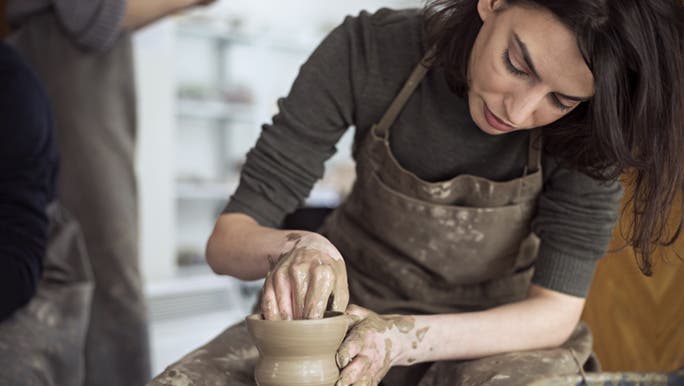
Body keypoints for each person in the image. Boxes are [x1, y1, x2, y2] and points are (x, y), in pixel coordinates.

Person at [150, 0, 684, 385]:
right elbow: (226, 241)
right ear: (492, 3)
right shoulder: (369, 51)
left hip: (494, 331)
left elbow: (554, 313)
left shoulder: (589, 131)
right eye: (517, 65)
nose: (519, 113)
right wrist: (293, 246)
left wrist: (403, 339)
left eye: (560, 99)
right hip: (342, 313)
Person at [4, 0, 215, 384]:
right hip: (63, 58)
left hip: (77, 61)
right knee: (107, 275)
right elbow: (90, 17)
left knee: (100, 272)